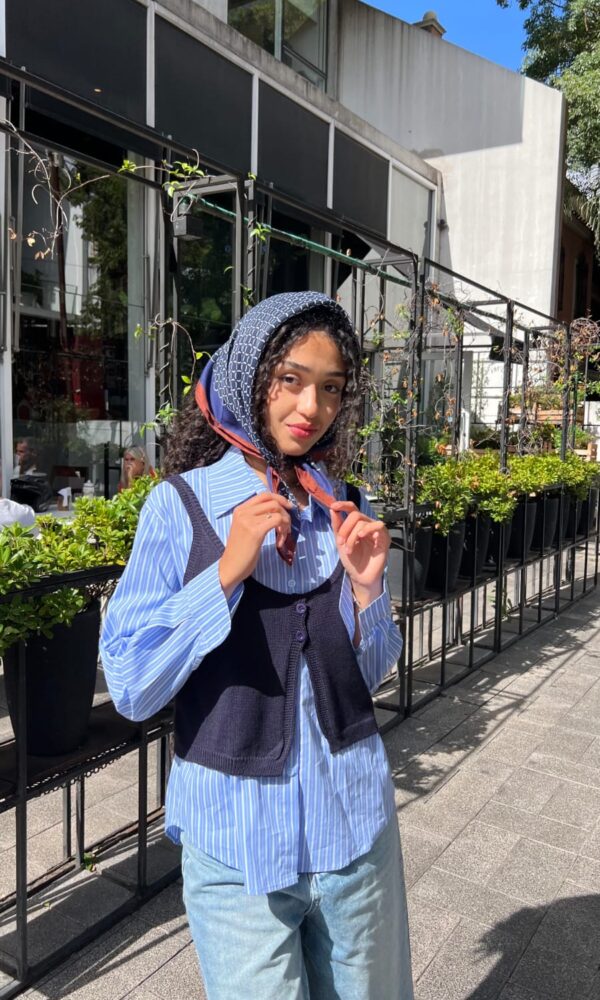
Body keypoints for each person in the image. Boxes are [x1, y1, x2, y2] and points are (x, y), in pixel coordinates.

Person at [100, 291, 414, 1000]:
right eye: (291, 379)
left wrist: (368, 590)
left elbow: (364, 679)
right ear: (250, 374)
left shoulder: (344, 504)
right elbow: (130, 684)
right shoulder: (180, 507)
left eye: (331, 388)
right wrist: (224, 572)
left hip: (354, 833)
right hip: (236, 849)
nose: (311, 407)